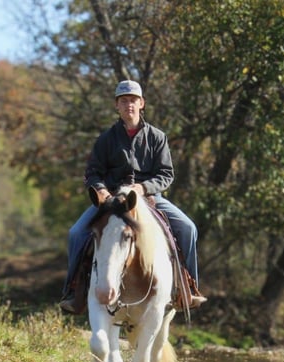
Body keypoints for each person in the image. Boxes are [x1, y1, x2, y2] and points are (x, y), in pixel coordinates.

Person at [59, 79, 206, 314]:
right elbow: (93, 173)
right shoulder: (106, 139)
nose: (129, 105)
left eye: (133, 100)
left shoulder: (158, 137)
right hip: (113, 201)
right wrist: (103, 191)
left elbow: (166, 174)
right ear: (117, 106)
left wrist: (144, 187)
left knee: (188, 228)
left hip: (149, 199)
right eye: (124, 100)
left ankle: (187, 289)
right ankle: (73, 292)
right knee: (76, 233)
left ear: (142, 104)